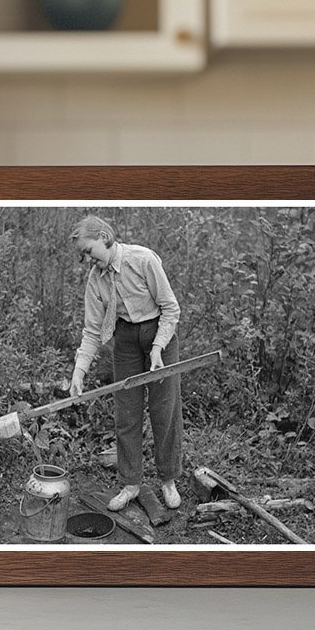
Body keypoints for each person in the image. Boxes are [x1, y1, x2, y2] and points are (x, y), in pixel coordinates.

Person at [69, 215, 183, 512]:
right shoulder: (96, 279)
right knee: (127, 413)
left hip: (160, 331)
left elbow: (171, 308)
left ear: (104, 237)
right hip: (126, 339)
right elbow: (92, 331)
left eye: (88, 251)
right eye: (83, 255)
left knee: (164, 411)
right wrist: (79, 372)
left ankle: (168, 480)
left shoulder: (143, 260)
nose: (87, 260)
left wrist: (158, 348)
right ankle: (130, 483)